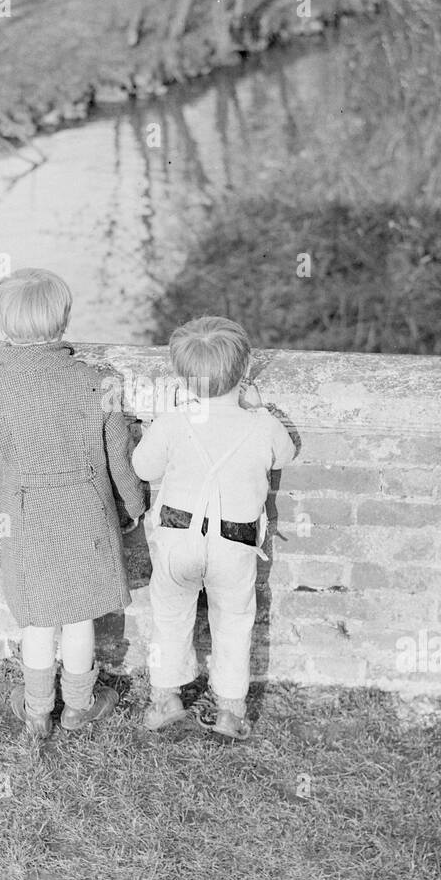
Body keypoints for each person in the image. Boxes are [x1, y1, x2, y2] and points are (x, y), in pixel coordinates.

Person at [0, 268, 146, 739]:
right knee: (81, 615)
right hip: (86, 513)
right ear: (63, 320)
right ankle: (80, 707)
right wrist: (132, 505)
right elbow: (119, 456)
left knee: (38, 620)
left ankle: (38, 711)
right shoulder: (97, 382)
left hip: (24, 520)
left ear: (3, 326)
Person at [133, 316, 295, 740]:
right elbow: (284, 455)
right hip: (234, 542)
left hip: (177, 538)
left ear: (183, 378)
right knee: (234, 621)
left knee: (169, 616)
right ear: (243, 372)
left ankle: (165, 699)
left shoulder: (173, 420)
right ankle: (230, 710)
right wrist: (258, 408)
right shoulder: (261, 424)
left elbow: (142, 467)